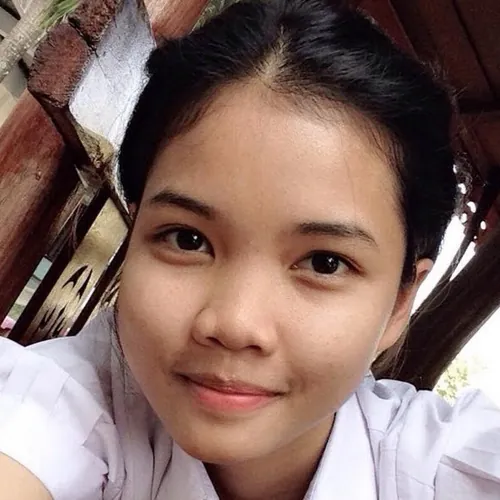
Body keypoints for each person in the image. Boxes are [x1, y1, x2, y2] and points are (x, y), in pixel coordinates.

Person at [1, 0, 499, 498]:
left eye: (325, 263)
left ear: (398, 303)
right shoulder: (67, 402)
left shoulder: (441, 471)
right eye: (187, 239)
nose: (235, 325)